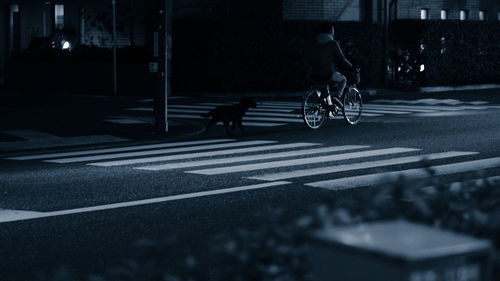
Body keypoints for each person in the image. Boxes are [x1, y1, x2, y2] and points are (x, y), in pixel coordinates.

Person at [306, 23, 353, 109]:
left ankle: (326, 103)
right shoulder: (333, 44)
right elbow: (342, 59)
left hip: (314, 73)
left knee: (323, 85)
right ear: (331, 31)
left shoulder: (313, 43)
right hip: (328, 73)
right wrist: (351, 66)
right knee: (343, 79)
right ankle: (337, 97)